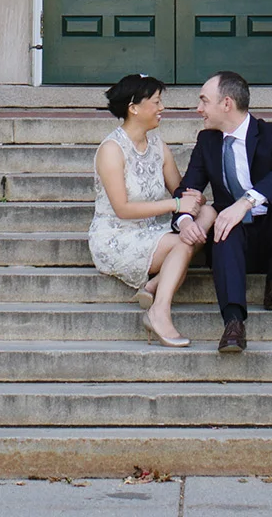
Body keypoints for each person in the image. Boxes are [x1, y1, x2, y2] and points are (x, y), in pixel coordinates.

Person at [173, 70, 272, 354]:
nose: (198, 109)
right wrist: (185, 220)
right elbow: (187, 189)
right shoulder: (207, 141)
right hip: (236, 239)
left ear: (226, 104)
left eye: (203, 101)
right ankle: (234, 323)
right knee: (224, 224)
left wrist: (245, 202)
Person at [88, 72, 201, 348]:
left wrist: (194, 199)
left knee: (207, 217)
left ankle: (153, 286)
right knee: (183, 244)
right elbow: (122, 209)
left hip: (152, 231)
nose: (162, 108)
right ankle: (158, 312)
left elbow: (178, 190)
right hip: (117, 235)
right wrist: (176, 205)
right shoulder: (112, 150)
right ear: (134, 107)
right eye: (156, 101)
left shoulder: (158, 146)